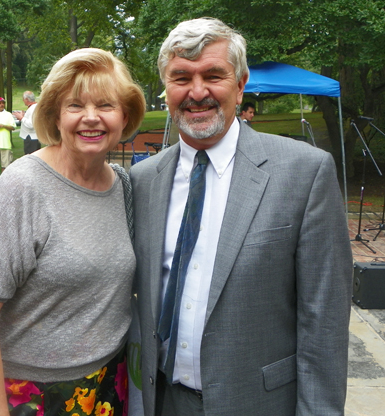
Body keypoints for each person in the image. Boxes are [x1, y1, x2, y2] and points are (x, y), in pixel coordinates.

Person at [130, 17, 352, 416]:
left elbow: (325, 323)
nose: (197, 92)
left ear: (241, 83)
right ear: (166, 87)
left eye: (213, 75)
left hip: (257, 403)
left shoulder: (305, 172)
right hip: (159, 401)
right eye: (181, 77)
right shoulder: (142, 180)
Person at [0, 48, 146, 416]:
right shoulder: (23, 186)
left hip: (111, 385)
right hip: (37, 396)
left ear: (125, 116)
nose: (91, 118)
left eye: (105, 105)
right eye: (75, 105)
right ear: (56, 116)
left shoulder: (123, 185)